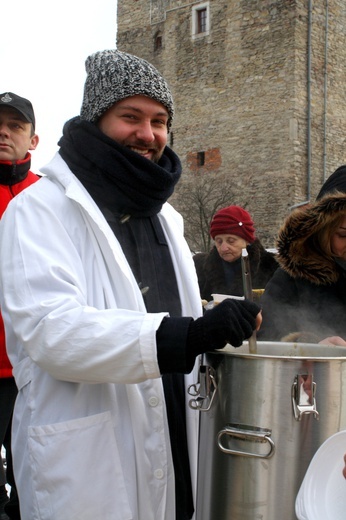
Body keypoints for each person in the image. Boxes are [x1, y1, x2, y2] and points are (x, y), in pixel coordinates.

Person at [0, 50, 261, 520]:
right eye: (131, 117)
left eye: (159, 120)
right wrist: (187, 335)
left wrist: (225, 324)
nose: (148, 134)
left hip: (176, 437)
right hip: (91, 456)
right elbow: (51, 331)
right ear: (96, 120)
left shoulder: (167, 217)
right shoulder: (38, 210)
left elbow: (172, 314)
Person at [0, 92, 40, 520]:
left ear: (34, 139)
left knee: (33, 472)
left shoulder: (52, 198)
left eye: (15, 125)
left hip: (34, 367)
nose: (4, 132)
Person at [258, 165, 346, 345]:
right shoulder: (294, 277)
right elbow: (265, 338)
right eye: (343, 235)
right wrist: (311, 348)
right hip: (319, 373)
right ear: (323, 231)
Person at [193, 205, 278, 302]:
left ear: (246, 240)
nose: (224, 248)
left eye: (231, 241)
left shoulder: (272, 267)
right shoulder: (199, 268)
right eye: (219, 241)